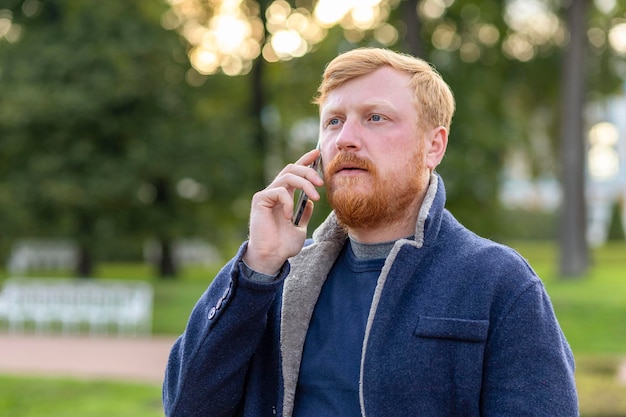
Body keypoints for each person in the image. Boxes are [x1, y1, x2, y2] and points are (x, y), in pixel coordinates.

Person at [162, 48, 578, 416]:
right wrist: (258, 267)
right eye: (333, 122)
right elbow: (185, 406)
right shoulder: (273, 277)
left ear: (434, 146)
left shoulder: (499, 282)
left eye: (375, 118)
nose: (345, 139)